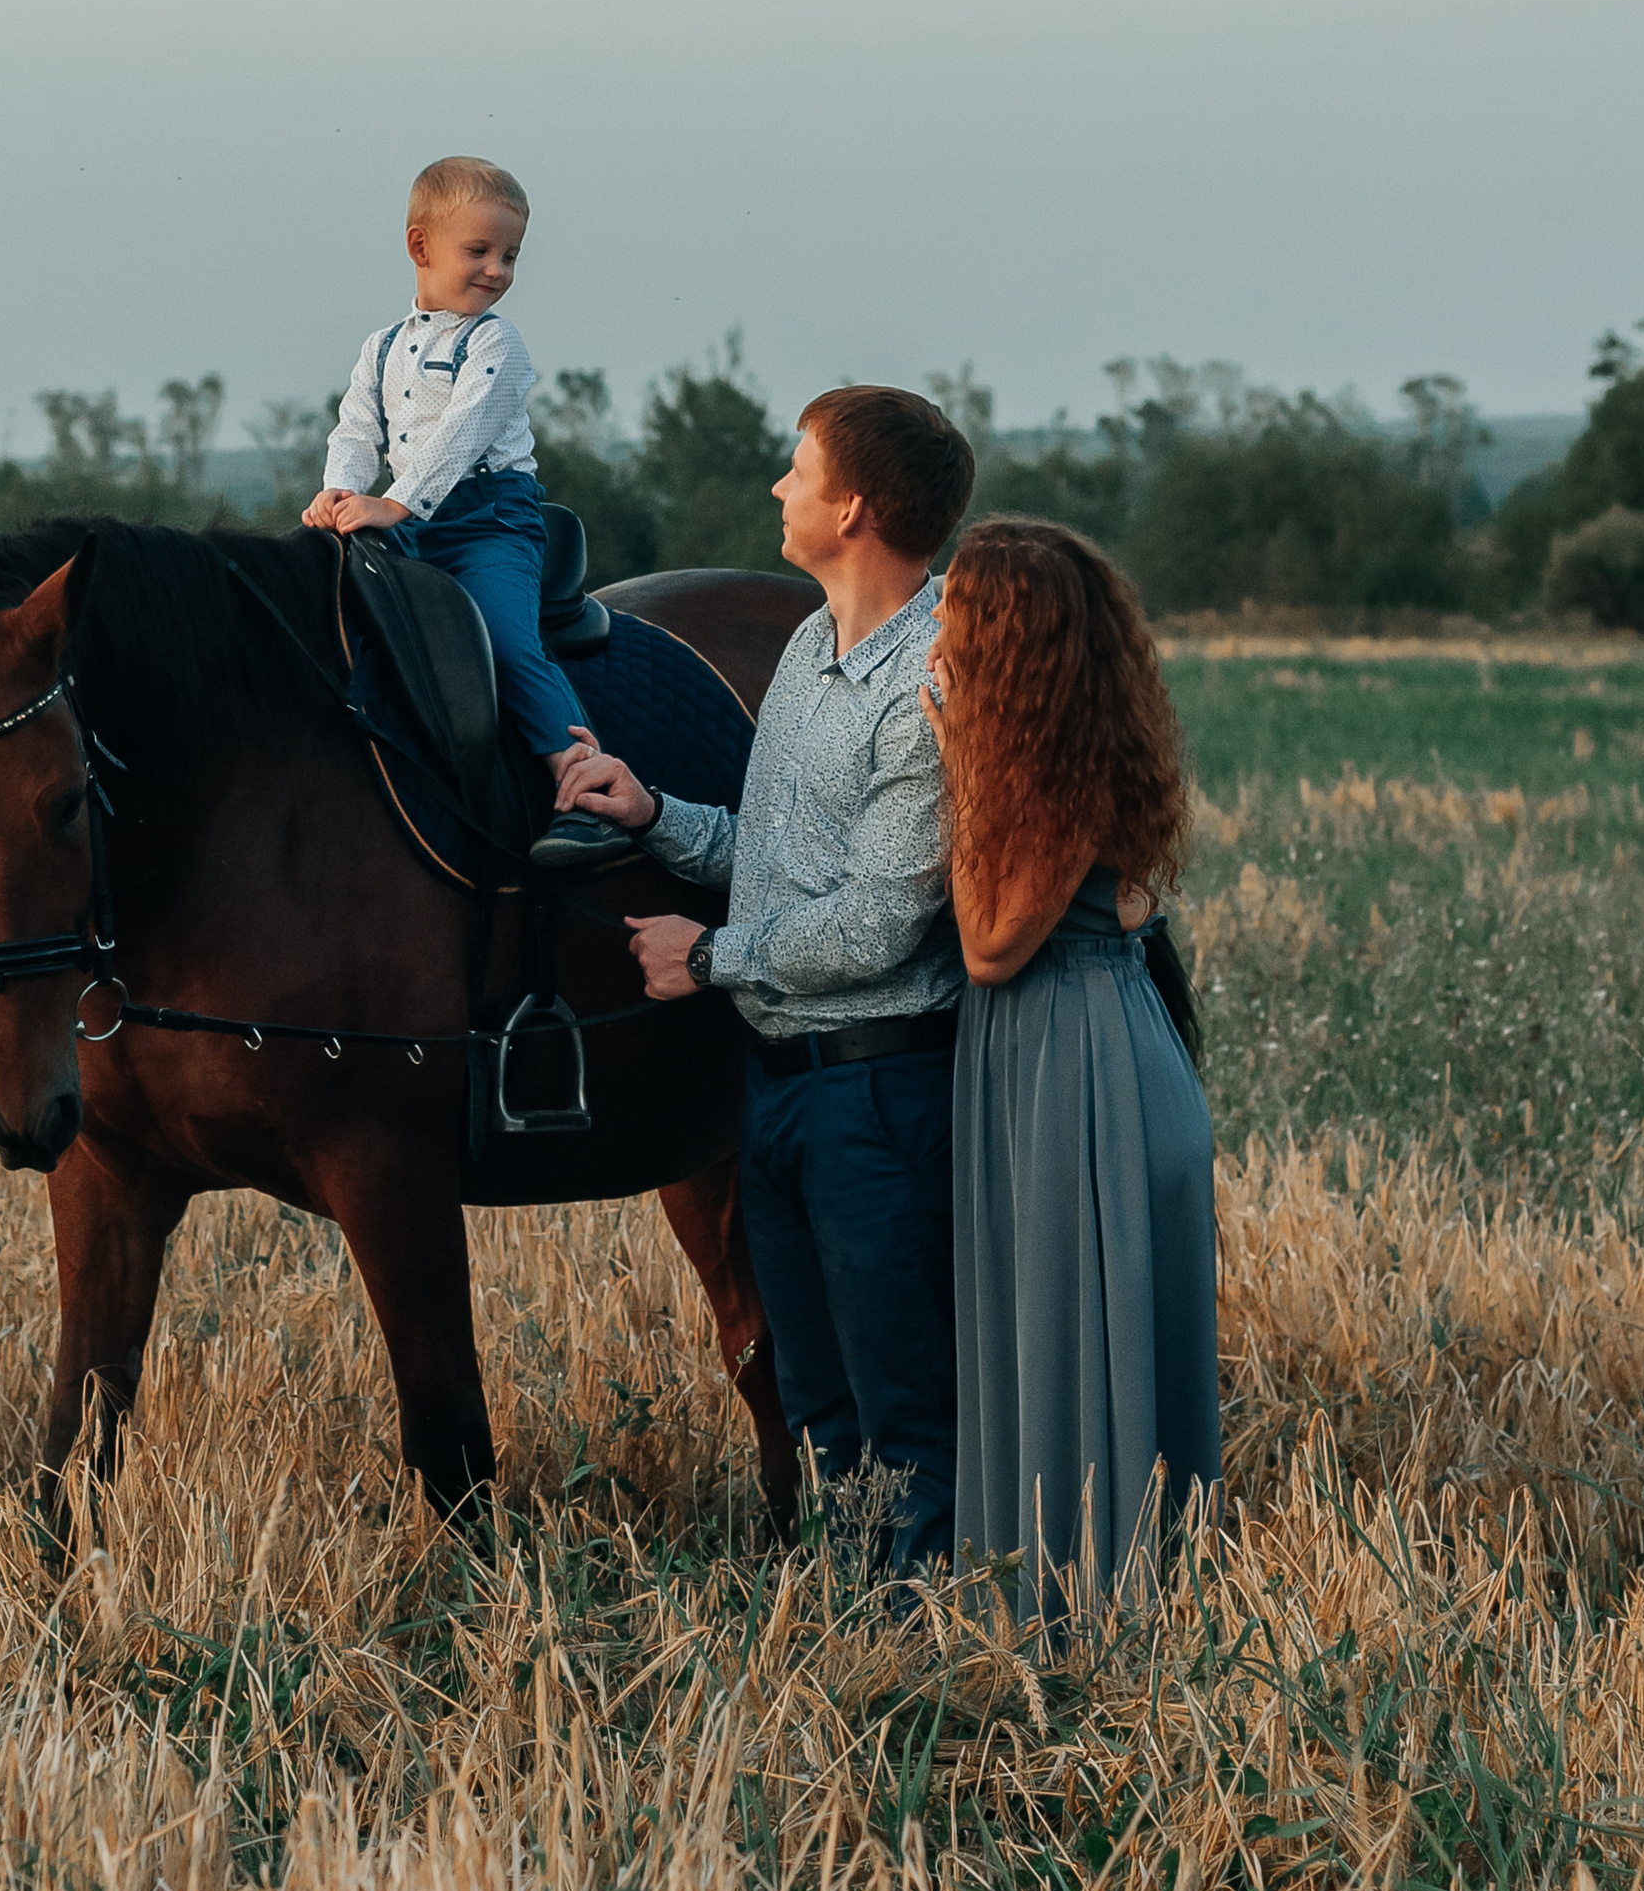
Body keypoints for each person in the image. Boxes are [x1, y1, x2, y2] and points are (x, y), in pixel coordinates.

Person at [554, 388, 976, 1572]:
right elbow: (782, 857)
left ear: (851, 506)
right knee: (820, 1404)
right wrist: (656, 813)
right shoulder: (807, 643)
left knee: (903, 1403)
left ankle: (931, 1646)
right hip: (781, 1083)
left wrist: (707, 957)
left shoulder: (932, 679)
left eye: (797, 472)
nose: (778, 490)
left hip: (878, 1095)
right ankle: (857, 1624)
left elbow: (880, 921)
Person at [928, 517, 1220, 1627]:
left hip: (1082, 1060)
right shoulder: (1041, 753)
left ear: (1006, 635)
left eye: (955, 608)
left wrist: (959, 769)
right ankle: (1044, 1593)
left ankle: (1088, 1613)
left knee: (1073, 1323)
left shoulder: (1057, 767)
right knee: (1042, 1319)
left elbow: (988, 943)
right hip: (1042, 1051)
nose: (937, 628)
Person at [306, 155, 628, 873]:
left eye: (509, 256)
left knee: (506, 643)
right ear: (421, 247)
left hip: (490, 521)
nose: (496, 270)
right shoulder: (380, 347)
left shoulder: (496, 343)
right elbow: (357, 429)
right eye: (478, 251)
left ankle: (587, 792)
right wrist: (338, 493)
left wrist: (391, 502)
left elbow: (464, 432)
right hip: (406, 518)